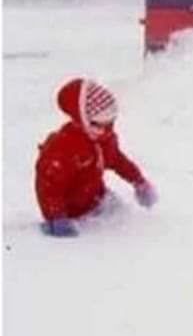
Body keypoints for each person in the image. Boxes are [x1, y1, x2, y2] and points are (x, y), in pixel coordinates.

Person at [35, 78, 157, 237]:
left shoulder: (102, 139)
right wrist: (56, 217)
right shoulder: (63, 147)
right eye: (102, 124)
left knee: (127, 226)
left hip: (98, 200)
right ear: (83, 120)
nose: (108, 129)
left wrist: (139, 182)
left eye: (111, 123)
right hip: (69, 214)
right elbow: (49, 186)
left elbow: (118, 161)